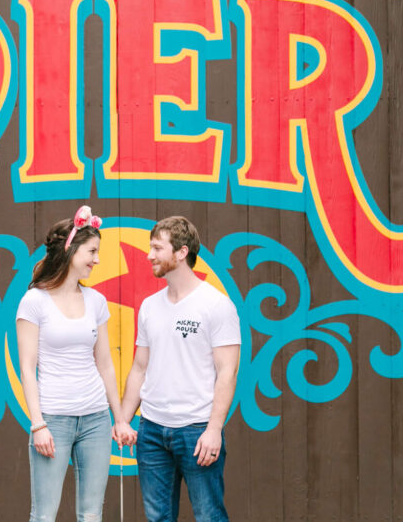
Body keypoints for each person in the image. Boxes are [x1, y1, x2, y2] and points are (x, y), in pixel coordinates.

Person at [17, 205, 138, 522]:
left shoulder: (96, 301)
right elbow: (28, 369)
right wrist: (38, 424)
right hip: (53, 420)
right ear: (70, 250)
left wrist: (119, 419)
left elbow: (105, 364)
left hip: (96, 419)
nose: (97, 260)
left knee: (91, 514)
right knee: (43, 515)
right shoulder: (34, 301)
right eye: (92, 251)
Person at [118, 215, 241, 522]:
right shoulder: (149, 306)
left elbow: (227, 372)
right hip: (151, 432)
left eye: (157, 248)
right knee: (158, 518)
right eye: (150, 247)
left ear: (181, 252)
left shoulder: (216, 305)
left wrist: (214, 430)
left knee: (209, 516)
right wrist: (123, 419)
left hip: (197, 431)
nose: (149, 255)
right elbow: (139, 367)